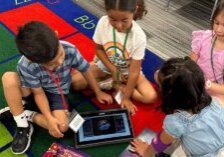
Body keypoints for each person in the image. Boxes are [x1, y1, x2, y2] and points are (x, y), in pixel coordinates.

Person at [1, 21, 113, 154]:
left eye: (59, 55)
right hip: (32, 91)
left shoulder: (70, 50)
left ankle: (25, 114)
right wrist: (48, 117)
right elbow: (38, 93)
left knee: (62, 127)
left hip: (56, 93)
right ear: (32, 60)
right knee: (8, 78)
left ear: (56, 35)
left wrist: (98, 91)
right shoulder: (27, 64)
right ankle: (22, 124)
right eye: (51, 64)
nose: (59, 62)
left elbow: (86, 70)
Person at [74, 0, 158, 114]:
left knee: (150, 97)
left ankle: (114, 84)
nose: (119, 26)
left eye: (124, 20)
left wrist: (126, 97)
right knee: (75, 83)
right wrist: (113, 70)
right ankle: (112, 82)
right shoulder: (103, 22)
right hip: (106, 66)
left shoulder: (139, 37)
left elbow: (134, 72)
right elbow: (99, 49)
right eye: (112, 19)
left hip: (128, 72)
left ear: (135, 10)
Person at [130, 57, 224, 157]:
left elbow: (159, 144)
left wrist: (145, 152)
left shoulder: (176, 122)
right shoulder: (216, 101)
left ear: (170, 96)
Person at [190, 0, 224, 105]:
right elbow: (191, 62)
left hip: (214, 89)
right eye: (216, 23)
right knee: (160, 74)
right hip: (193, 81)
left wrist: (206, 84)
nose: (219, 29)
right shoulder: (204, 36)